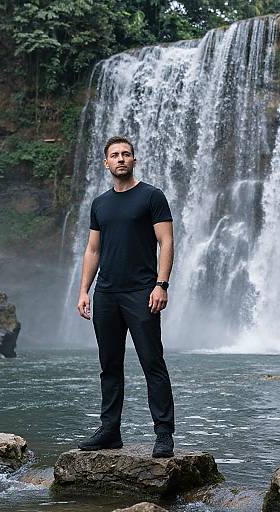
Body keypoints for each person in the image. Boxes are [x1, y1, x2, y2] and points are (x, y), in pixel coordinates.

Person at [76, 135, 175, 458]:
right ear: (106, 163)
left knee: (152, 362)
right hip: (106, 293)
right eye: (114, 155)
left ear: (134, 160)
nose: (120, 159)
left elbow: (167, 241)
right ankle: (109, 431)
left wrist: (161, 284)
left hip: (141, 292)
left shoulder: (151, 196)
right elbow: (93, 249)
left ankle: (163, 434)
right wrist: (83, 291)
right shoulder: (100, 203)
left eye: (126, 154)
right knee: (109, 364)